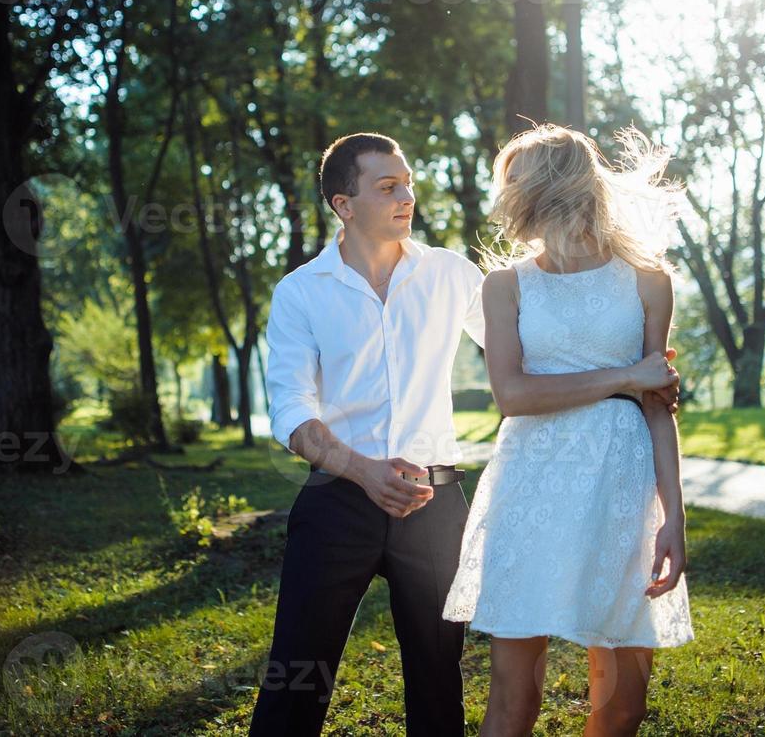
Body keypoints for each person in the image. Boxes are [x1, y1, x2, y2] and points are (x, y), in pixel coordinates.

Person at [442, 122, 695, 737]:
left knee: (622, 706)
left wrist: (674, 518)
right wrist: (625, 376)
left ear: (548, 188)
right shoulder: (504, 286)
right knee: (513, 702)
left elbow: (658, 403)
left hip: (620, 484)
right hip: (530, 485)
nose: (505, 200)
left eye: (513, 184)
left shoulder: (647, 280)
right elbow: (514, 395)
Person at [249, 132, 487, 737]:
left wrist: (624, 366)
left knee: (439, 678)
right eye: (387, 187)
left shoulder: (451, 274)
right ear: (343, 204)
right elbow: (291, 410)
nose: (406, 196)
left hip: (435, 504)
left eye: (407, 183)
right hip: (337, 499)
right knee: (297, 674)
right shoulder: (301, 292)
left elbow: (525, 348)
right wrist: (361, 469)